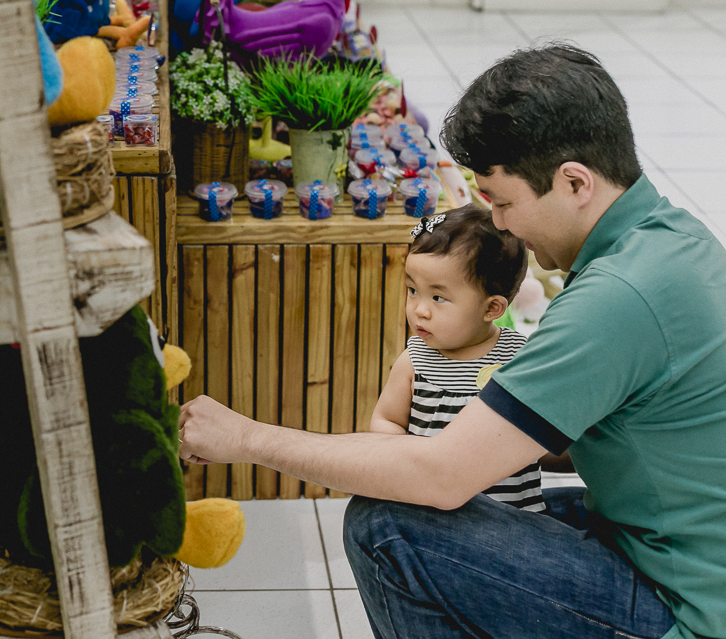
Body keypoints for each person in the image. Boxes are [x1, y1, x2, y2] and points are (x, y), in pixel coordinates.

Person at [177, 43, 726, 639]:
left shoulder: (616, 297)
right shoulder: (677, 239)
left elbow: (437, 477)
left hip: (683, 608)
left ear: (574, 182)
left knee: (389, 523)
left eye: (505, 202)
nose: (501, 226)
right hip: (675, 551)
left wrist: (247, 437)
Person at [369, 204, 545, 513]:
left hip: (516, 520)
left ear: (491, 308)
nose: (419, 309)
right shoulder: (415, 360)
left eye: (438, 297)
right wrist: (408, 453)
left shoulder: (519, 358)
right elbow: (386, 419)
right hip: (434, 514)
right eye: (412, 290)